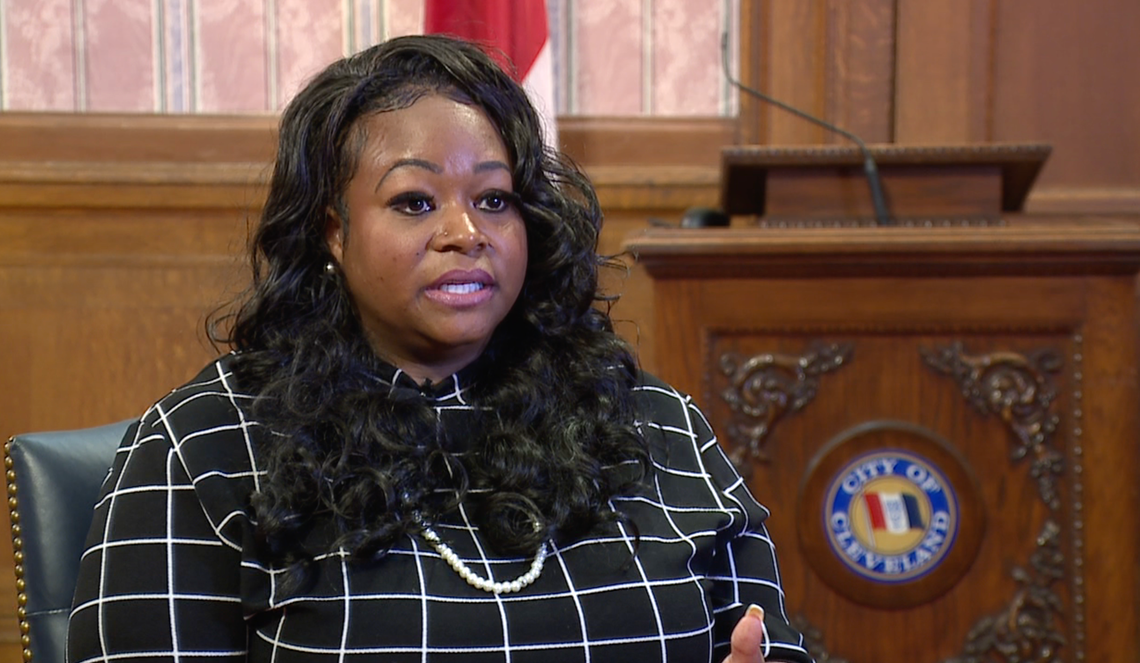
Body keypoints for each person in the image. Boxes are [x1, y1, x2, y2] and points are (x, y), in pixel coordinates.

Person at [67, 35, 812, 663]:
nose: (466, 232)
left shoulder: (655, 424)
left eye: (494, 200)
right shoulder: (206, 447)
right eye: (414, 202)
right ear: (333, 230)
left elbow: (764, 640)